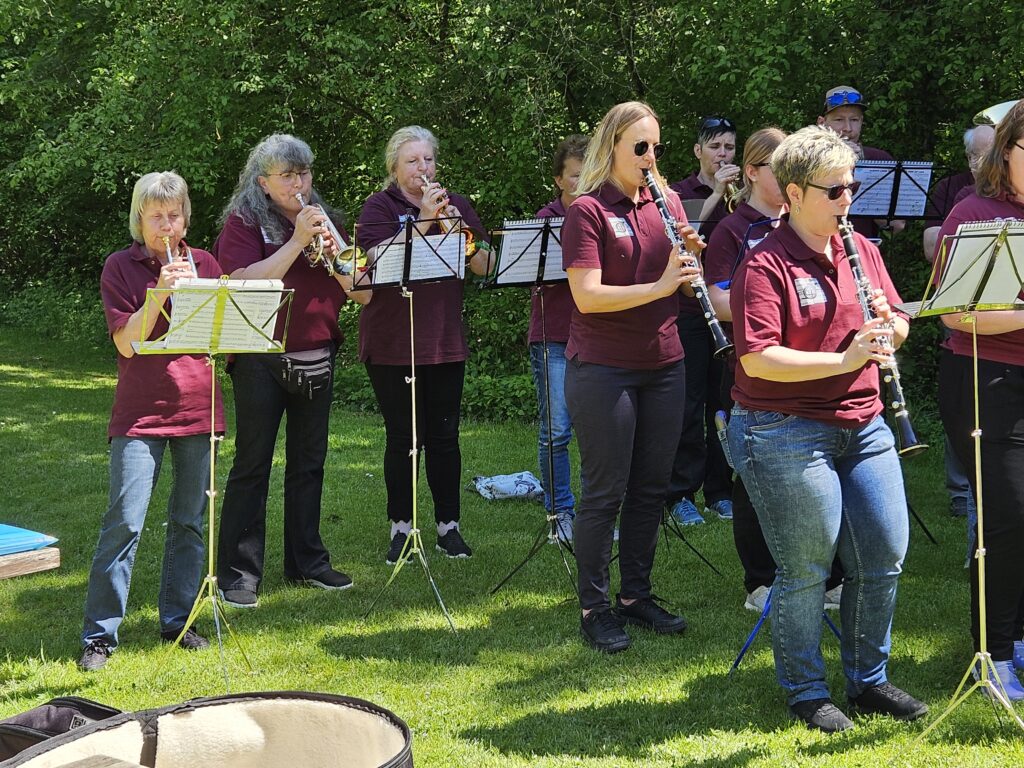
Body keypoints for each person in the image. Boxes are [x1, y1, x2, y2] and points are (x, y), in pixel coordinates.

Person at [726, 125, 927, 732]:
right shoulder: (763, 264)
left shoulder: (862, 250)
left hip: (864, 421)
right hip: (782, 427)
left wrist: (890, 332)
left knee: (885, 552)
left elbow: (897, 321)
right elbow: (758, 357)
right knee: (808, 566)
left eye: (851, 186)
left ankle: (869, 681)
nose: (848, 199)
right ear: (793, 192)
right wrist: (843, 359)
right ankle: (807, 691)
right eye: (834, 189)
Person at [562, 101, 702, 653]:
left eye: (656, 147)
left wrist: (692, 268)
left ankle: (635, 595)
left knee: (650, 488)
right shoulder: (588, 210)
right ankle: (594, 605)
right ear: (614, 146)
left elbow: (686, 286)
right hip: (603, 367)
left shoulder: (667, 202)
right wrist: (662, 286)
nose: (650, 157)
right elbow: (587, 297)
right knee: (604, 490)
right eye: (640, 147)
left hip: (664, 362)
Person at [214, 134, 369, 609]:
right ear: (263, 182)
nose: (299, 183)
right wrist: (298, 241)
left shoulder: (329, 222)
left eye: (304, 173)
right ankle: (238, 574)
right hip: (261, 354)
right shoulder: (243, 223)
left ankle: (307, 561)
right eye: (287, 175)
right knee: (252, 465)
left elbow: (363, 292)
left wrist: (332, 248)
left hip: (316, 352)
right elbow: (235, 281)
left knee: (309, 463)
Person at [80, 171, 225, 671]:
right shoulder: (120, 266)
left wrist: (199, 289)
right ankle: (99, 636)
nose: (167, 225)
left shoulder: (205, 263)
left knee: (189, 522)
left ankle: (178, 621)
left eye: (175, 215)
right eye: (157, 215)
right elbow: (127, 341)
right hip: (140, 413)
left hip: (198, 407)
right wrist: (160, 293)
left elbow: (221, 338)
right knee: (124, 521)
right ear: (139, 219)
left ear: (186, 218)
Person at [355, 125, 493, 565]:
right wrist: (424, 222)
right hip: (392, 341)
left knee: (445, 437)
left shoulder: (458, 205)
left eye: (428, 160)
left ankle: (448, 527)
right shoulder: (378, 207)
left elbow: (485, 265)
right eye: (412, 162)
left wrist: (460, 231)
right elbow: (373, 265)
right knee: (403, 438)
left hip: (443, 340)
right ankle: (400, 526)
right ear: (394, 167)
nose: (423, 169)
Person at [935, 98, 1024, 700]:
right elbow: (955, 313)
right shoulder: (973, 214)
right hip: (987, 380)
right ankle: (991, 654)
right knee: (1008, 518)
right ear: (1006, 151)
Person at [664, 116, 739, 525]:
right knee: (689, 406)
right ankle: (680, 493)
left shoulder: (742, 196)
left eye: (729, 148)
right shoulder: (679, 194)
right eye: (715, 147)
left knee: (723, 404)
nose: (723, 155)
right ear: (699, 151)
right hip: (691, 313)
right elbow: (682, 236)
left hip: (728, 313)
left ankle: (720, 489)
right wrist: (715, 195)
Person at [923, 123, 994, 533]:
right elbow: (936, 249)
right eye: (974, 155)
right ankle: (961, 496)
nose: (981, 163)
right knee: (970, 428)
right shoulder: (963, 196)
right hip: (970, 332)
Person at [530, 135, 588, 544]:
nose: (581, 182)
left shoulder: (605, 213)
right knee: (557, 431)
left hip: (600, 337)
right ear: (558, 180)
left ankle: (594, 515)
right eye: (573, 176)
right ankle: (559, 512)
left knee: (597, 432)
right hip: (554, 336)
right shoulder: (545, 219)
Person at [817, 86, 904, 238]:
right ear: (822, 123)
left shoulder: (880, 160)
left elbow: (896, 226)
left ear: (861, 121)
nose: (848, 128)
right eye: (839, 120)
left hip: (864, 252)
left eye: (854, 120)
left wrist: (862, 176)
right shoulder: (807, 161)